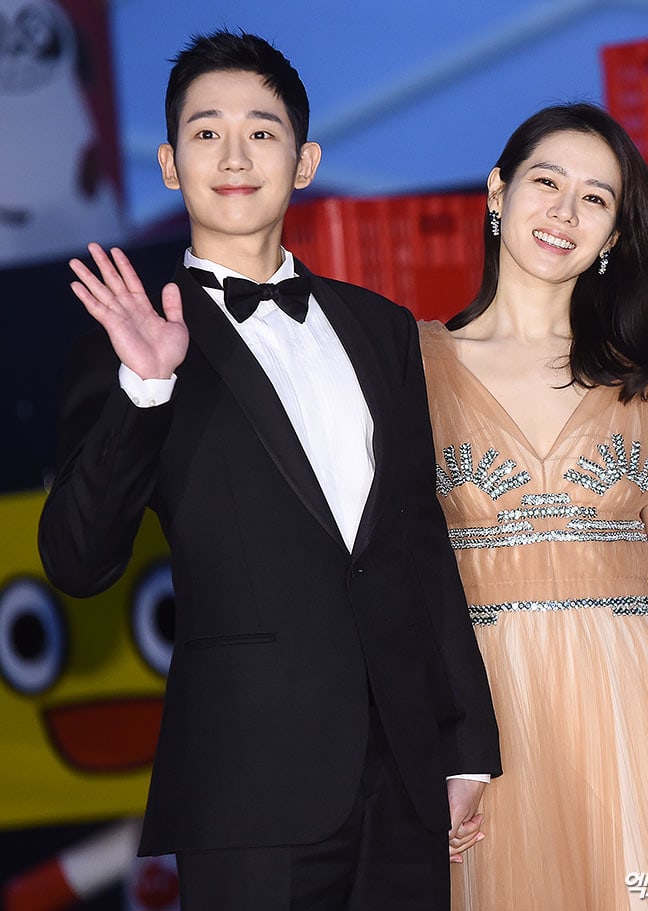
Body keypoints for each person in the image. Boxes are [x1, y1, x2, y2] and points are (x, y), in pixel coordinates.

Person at [38, 30, 501, 911]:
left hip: (406, 776)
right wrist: (146, 386)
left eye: (261, 130)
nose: (234, 155)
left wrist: (467, 745)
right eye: (206, 133)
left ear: (305, 161)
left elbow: (418, 542)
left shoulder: (381, 328)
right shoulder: (133, 340)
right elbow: (75, 557)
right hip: (248, 783)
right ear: (169, 164)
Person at [419, 103, 648, 910]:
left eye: (596, 198)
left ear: (613, 235)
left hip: (633, 702)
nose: (565, 211)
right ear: (497, 191)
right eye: (547, 182)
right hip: (486, 712)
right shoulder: (413, 364)